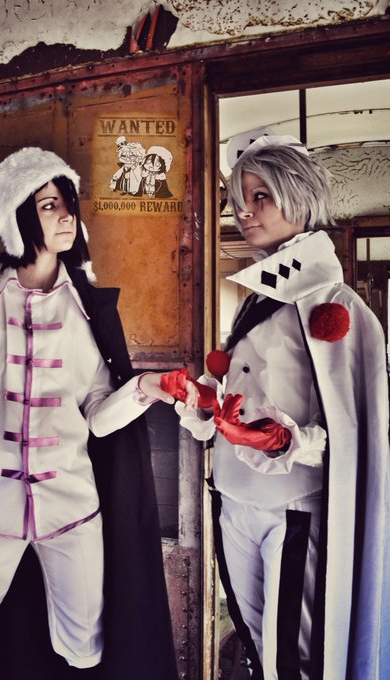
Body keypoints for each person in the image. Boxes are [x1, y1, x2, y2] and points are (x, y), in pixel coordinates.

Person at [0, 147, 186, 680]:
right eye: (49, 205)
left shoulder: (86, 309)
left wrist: (143, 390)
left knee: (84, 646)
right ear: (17, 216)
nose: (66, 216)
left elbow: (97, 415)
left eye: (68, 204)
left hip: (71, 508)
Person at [161, 131, 390, 679]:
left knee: (295, 660)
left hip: (293, 508)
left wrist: (283, 439)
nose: (243, 211)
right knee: (259, 643)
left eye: (260, 195)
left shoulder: (336, 306)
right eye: (239, 198)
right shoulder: (257, 300)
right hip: (234, 498)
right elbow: (241, 395)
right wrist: (202, 400)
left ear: (299, 195)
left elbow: (353, 434)